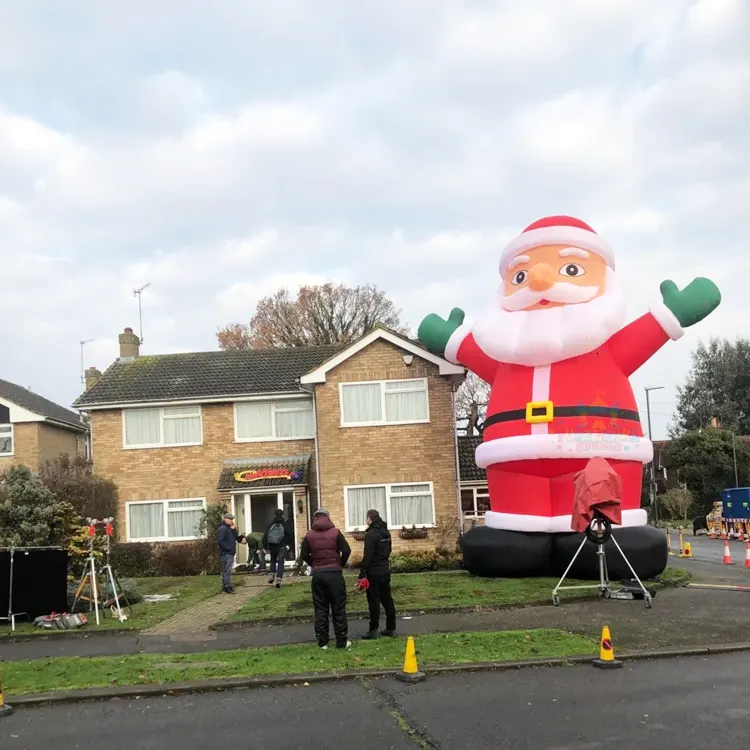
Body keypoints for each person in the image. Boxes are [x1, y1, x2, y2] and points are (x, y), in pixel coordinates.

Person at [300, 508, 352, 649]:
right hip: (335, 574)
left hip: (318, 576)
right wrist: (339, 563)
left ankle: (323, 642)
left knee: (320, 608)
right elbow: (346, 550)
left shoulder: (309, 535)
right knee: (338, 607)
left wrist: (314, 564)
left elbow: (303, 555)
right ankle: (341, 641)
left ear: (315, 519)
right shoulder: (336, 532)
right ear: (328, 518)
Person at [358, 509, 396, 639]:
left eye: (366, 518)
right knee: (387, 599)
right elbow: (389, 550)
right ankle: (391, 627)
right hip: (385, 569)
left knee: (373, 601)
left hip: (373, 572)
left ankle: (373, 630)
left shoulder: (371, 534)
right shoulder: (386, 533)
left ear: (369, 518)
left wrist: (362, 573)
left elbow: (367, 555)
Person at [262, 508, 294, 588]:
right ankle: (279, 579)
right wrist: (288, 544)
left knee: (273, 560)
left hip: (272, 546)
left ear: (274, 515)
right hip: (281, 546)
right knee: (280, 562)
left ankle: (272, 575)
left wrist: (265, 546)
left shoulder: (271, 524)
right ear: (282, 515)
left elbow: (265, 535)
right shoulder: (285, 524)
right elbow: (290, 535)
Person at [217, 513, 245, 594]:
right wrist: (228, 549)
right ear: (226, 519)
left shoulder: (229, 528)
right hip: (226, 553)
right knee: (227, 571)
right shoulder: (223, 528)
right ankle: (227, 587)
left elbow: (236, 537)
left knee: (226, 570)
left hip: (229, 552)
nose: (232, 521)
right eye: (230, 519)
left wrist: (234, 529)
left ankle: (226, 586)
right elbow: (220, 541)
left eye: (232, 519)